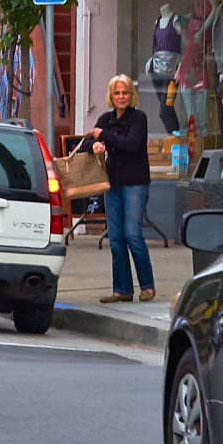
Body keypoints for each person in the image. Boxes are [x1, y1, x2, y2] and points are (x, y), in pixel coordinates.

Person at [85, 74, 155, 304]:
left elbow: (131, 145)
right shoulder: (105, 118)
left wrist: (103, 136)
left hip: (135, 182)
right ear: (111, 96)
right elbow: (88, 141)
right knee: (115, 237)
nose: (121, 97)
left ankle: (147, 286)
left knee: (132, 234)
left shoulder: (139, 118)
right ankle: (122, 289)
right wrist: (94, 144)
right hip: (111, 182)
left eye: (124, 92)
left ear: (130, 95)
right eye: (117, 93)